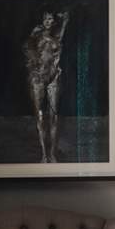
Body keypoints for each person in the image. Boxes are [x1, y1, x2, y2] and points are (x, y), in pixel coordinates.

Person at [24, 10, 70, 162]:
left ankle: (52, 154)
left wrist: (64, 21)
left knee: (54, 115)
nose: (48, 21)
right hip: (38, 78)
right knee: (40, 115)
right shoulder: (37, 32)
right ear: (42, 20)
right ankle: (44, 154)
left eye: (51, 19)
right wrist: (34, 67)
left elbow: (58, 45)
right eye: (46, 19)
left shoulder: (56, 36)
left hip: (53, 77)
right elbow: (28, 50)